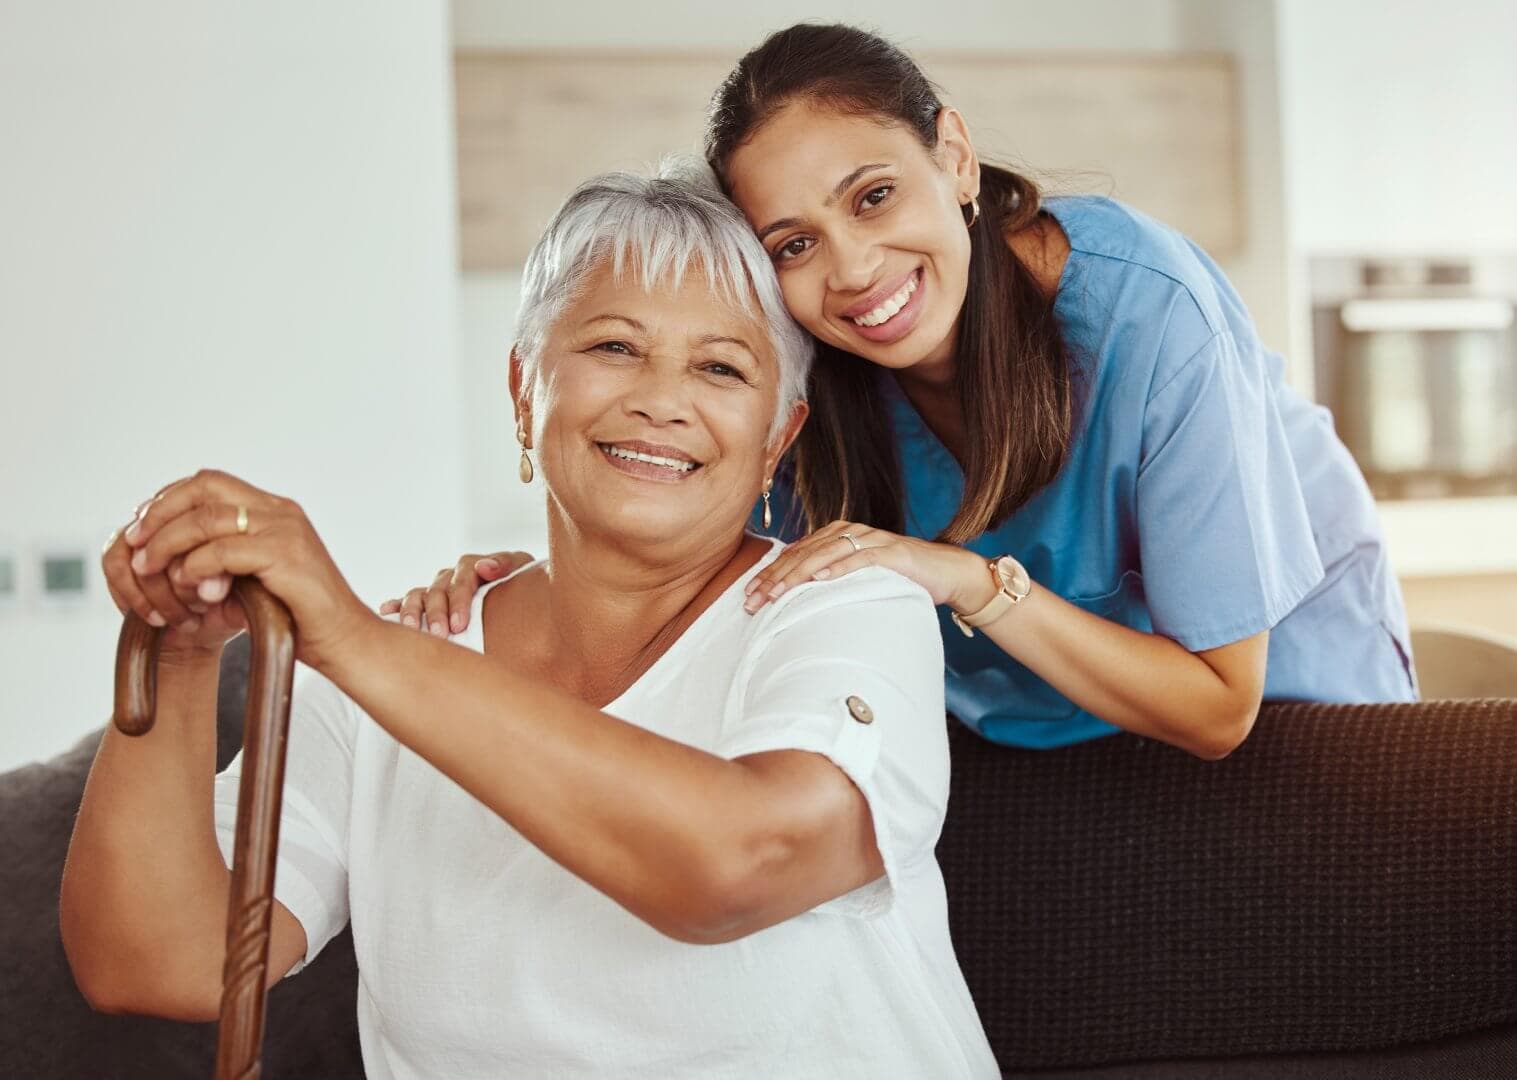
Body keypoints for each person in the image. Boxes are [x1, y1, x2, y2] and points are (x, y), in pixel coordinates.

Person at [61, 161, 999, 1078]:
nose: (661, 400)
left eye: (720, 367)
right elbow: (160, 965)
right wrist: (176, 661)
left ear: (776, 438)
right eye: (613, 348)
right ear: (523, 390)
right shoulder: (396, 661)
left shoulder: (844, 607)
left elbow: (738, 865)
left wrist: (355, 640)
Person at [391, 23, 1417, 761]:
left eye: (873, 196)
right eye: (793, 243)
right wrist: (514, 601)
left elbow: (1215, 707)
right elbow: (699, 573)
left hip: (1280, 705)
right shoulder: (803, 371)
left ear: (953, 158)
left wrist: (967, 580)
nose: (852, 269)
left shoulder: (1150, 312)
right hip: (1025, 735)